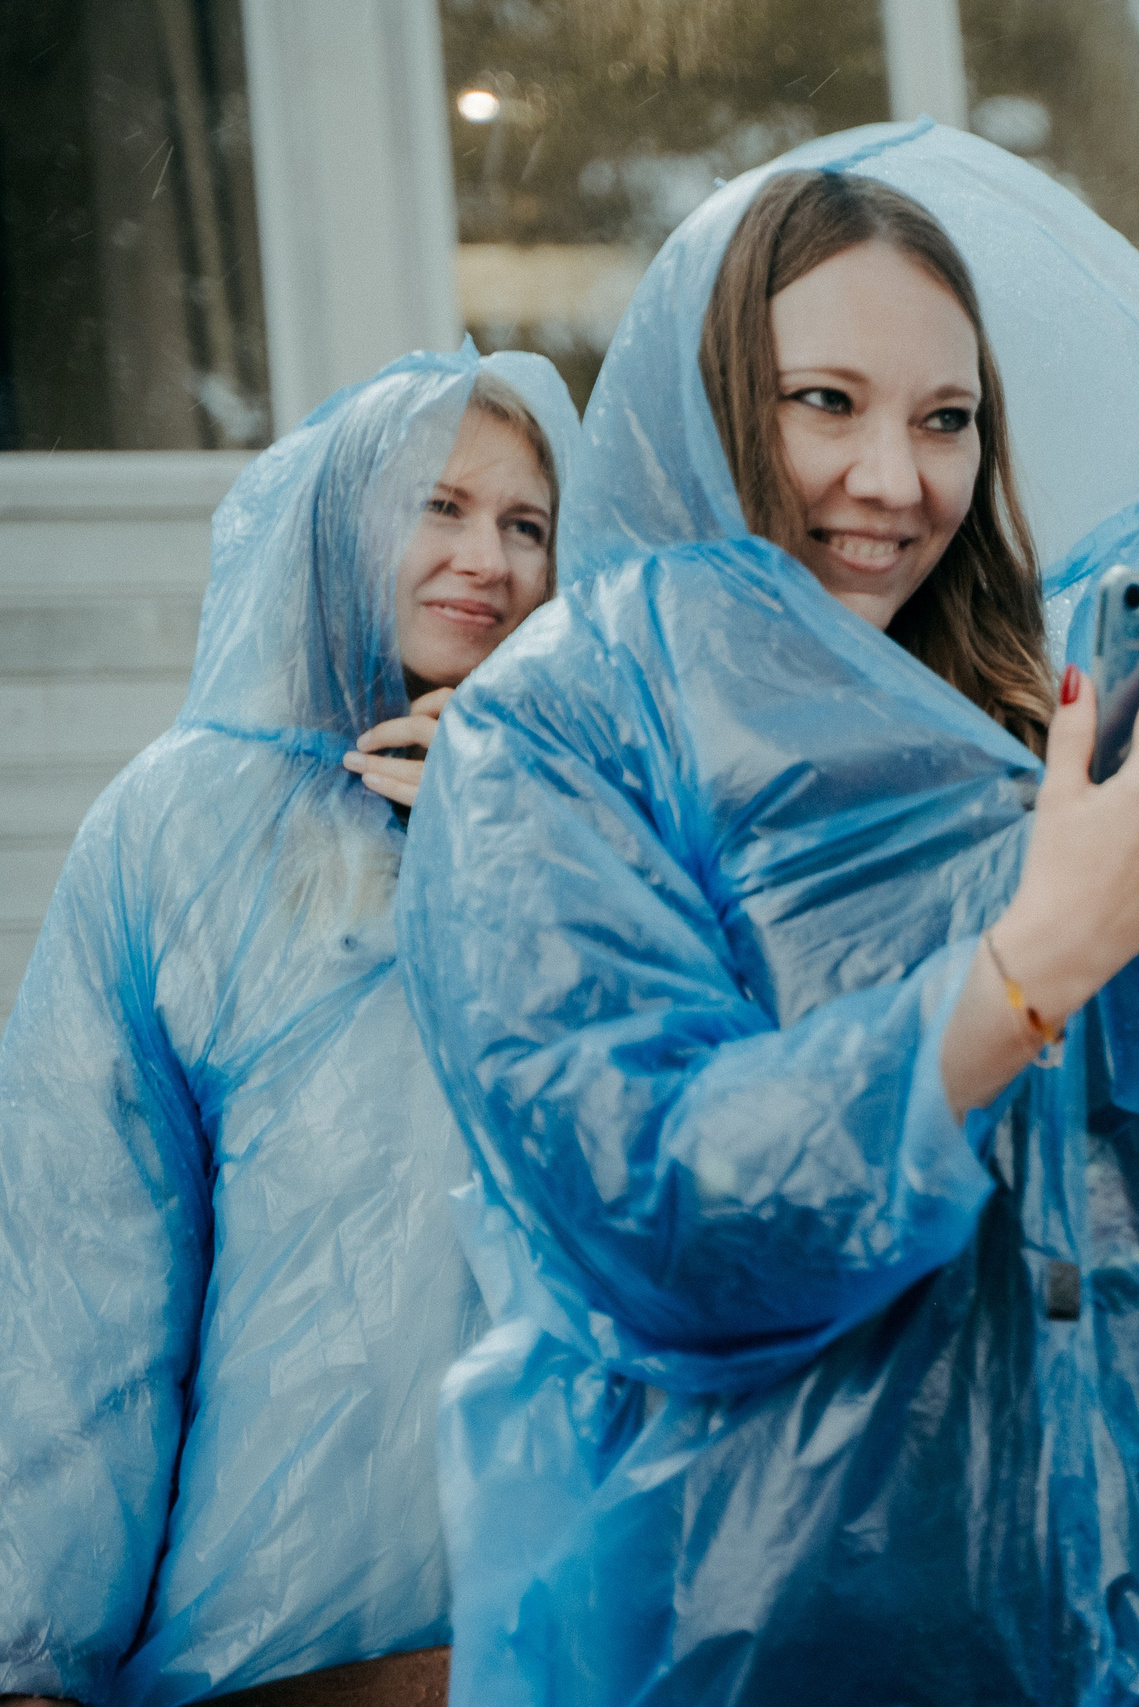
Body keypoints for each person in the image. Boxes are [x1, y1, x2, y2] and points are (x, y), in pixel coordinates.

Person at [395, 121, 1139, 1706]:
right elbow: (659, 1206)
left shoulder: (1035, 721)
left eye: (947, 420)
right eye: (827, 404)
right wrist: (1033, 960)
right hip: (779, 1632)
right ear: (713, 398)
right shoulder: (567, 723)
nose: (895, 479)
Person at [0, 346, 576, 1704]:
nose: (484, 557)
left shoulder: (604, 823)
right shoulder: (175, 826)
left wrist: (522, 846)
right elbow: (85, 1264)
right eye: (438, 505)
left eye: (527, 523)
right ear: (343, 518)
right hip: (264, 1646)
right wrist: (34, 1648)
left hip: (557, 1626)